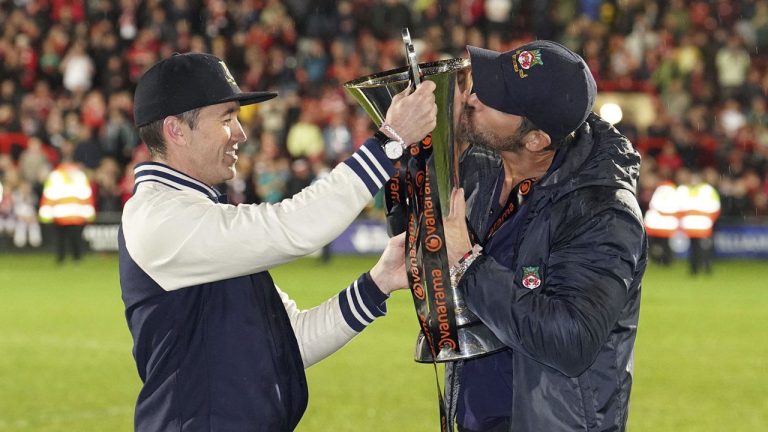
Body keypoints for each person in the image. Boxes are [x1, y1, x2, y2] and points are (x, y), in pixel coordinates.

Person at [120, 52, 436, 431]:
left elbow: (290, 343)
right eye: (226, 118)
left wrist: (378, 282)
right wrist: (390, 142)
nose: (241, 133)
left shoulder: (198, 216)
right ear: (176, 130)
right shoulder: (159, 216)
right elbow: (295, 226)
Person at [442, 41, 648, 432]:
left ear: (535, 140)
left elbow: (570, 340)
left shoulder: (603, 211)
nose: (472, 96)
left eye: (494, 97)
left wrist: (467, 263)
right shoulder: (481, 166)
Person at [38, 156, 95, 262]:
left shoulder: (55, 176)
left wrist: (45, 214)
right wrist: (89, 213)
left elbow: (48, 196)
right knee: (76, 239)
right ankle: (77, 259)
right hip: (76, 214)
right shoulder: (80, 176)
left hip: (59, 214)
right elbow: (87, 196)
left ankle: (60, 259)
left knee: (60, 239)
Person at [677, 171, 721, 274]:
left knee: (705, 247)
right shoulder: (683, 190)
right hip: (690, 226)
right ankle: (694, 268)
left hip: (704, 225)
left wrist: (709, 220)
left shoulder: (708, 190)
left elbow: (715, 207)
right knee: (694, 248)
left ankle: (707, 267)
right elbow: (678, 208)